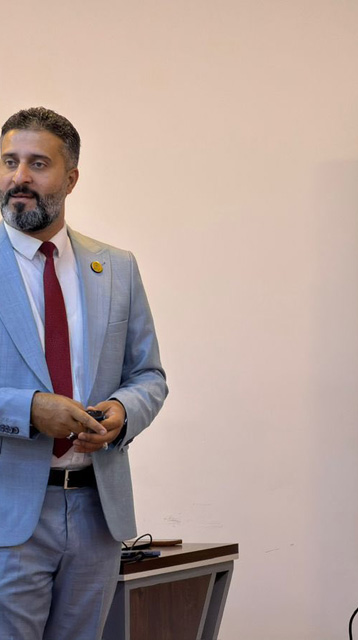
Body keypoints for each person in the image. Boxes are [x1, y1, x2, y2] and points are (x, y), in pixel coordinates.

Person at [0, 107, 168, 639]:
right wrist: (28, 410)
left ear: (71, 178)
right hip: (8, 517)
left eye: (37, 163)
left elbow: (148, 375)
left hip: (98, 513)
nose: (19, 177)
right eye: (9, 161)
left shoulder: (115, 267)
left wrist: (122, 412)